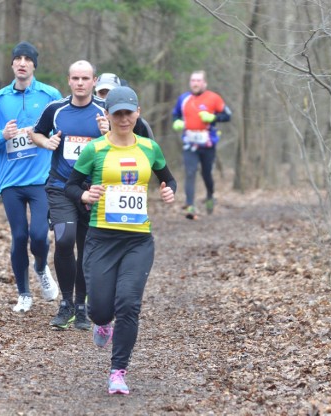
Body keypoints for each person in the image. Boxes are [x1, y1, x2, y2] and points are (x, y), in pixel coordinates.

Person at [65, 86, 177, 395]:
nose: (124, 118)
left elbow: (168, 177)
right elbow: (70, 187)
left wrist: (169, 190)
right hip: (101, 238)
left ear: (138, 113)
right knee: (99, 309)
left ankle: (118, 371)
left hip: (137, 240)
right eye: (118, 113)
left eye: (129, 112)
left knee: (128, 303)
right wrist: (85, 194)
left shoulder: (149, 148)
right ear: (107, 115)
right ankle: (102, 323)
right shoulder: (95, 149)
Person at [0, 41, 61, 313]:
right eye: (18, 59)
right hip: (11, 181)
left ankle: (40, 266)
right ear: (12, 64)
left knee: (39, 235)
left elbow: (64, 128)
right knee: (19, 236)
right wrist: (2, 136)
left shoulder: (50, 95)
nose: (22, 63)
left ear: (34, 64)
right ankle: (24, 294)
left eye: (28, 59)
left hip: (40, 179)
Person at [32, 60, 105, 330]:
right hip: (61, 186)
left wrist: (108, 134)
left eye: (85, 78)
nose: (80, 83)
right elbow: (35, 134)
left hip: (93, 190)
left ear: (94, 81)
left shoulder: (104, 111)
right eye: (75, 78)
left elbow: (128, 139)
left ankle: (83, 306)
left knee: (87, 249)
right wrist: (46, 141)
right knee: (64, 241)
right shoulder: (56, 109)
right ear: (68, 80)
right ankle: (66, 304)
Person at [172, 70, 232, 219]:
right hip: (189, 142)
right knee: (190, 172)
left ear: (204, 83)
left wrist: (213, 117)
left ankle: (210, 195)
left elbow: (227, 116)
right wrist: (177, 122)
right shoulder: (183, 99)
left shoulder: (214, 98)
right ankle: (190, 206)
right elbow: (175, 114)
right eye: (193, 80)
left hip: (208, 144)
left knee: (206, 174)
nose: (195, 83)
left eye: (198, 80)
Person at [95, 72, 155, 139]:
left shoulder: (138, 123)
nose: (106, 98)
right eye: (102, 93)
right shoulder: (91, 116)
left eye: (111, 92)